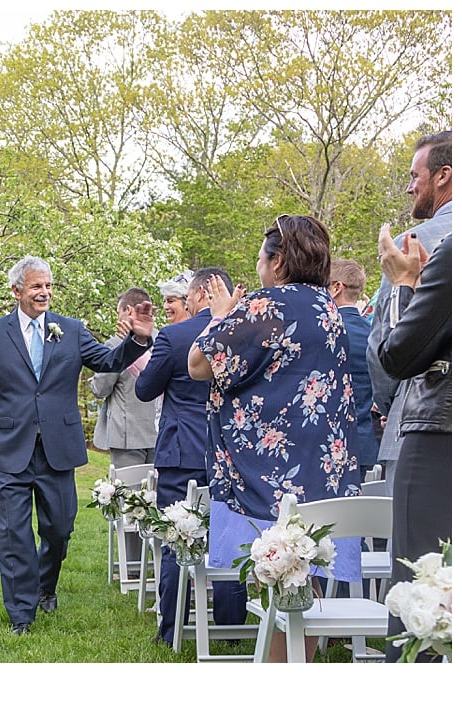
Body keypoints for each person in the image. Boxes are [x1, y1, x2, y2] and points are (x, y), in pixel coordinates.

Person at [0, 256, 154, 635]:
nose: (44, 293)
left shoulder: (70, 330)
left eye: (48, 286)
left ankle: (45, 585)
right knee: (13, 534)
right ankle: (21, 613)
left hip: (58, 446)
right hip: (10, 447)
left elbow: (106, 361)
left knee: (59, 528)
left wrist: (136, 339)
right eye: (36, 286)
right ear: (17, 291)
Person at [189, 215, 362, 662]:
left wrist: (221, 315)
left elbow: (199, 364)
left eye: (262, 260)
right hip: (322, 465)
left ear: (278, 261)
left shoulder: (267, 305)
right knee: (305, 576)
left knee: (276, 577)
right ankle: (298, 667)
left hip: (270, 470)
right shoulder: (327, 307)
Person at [135, 267, 247, 647]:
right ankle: (233, 629)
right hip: (233, 452)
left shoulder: (176, 335)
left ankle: (171, 629)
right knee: (229, 536)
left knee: (176, 535)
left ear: (199, 295)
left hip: (182, 450)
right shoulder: (248, 331)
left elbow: (145, 388)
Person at [376, 227, 451, 662]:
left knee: (424, 587)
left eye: (414, 176)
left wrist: (404, 286)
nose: (409, 187)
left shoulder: (451, 250)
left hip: (441, 435)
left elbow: (397, 355)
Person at [366, 131, 451, 494]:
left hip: (418, 426)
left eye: (415, 176)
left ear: (442, 175)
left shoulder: (413, 243)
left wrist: (389, 404)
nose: (409, 188)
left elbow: (384, 350)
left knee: (412, 549)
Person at [89, 288, 158, 468]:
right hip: (159, 431)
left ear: (128, 310)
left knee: (128, 493)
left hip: (127, 435)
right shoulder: (163, 339)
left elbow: (100, 389)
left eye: (118, 312)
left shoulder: (116, 344)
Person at [329, 259, 379, 477]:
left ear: (336, 287)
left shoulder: (325, 331)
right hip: (364, 443)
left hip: (326, 446)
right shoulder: (373, 334)